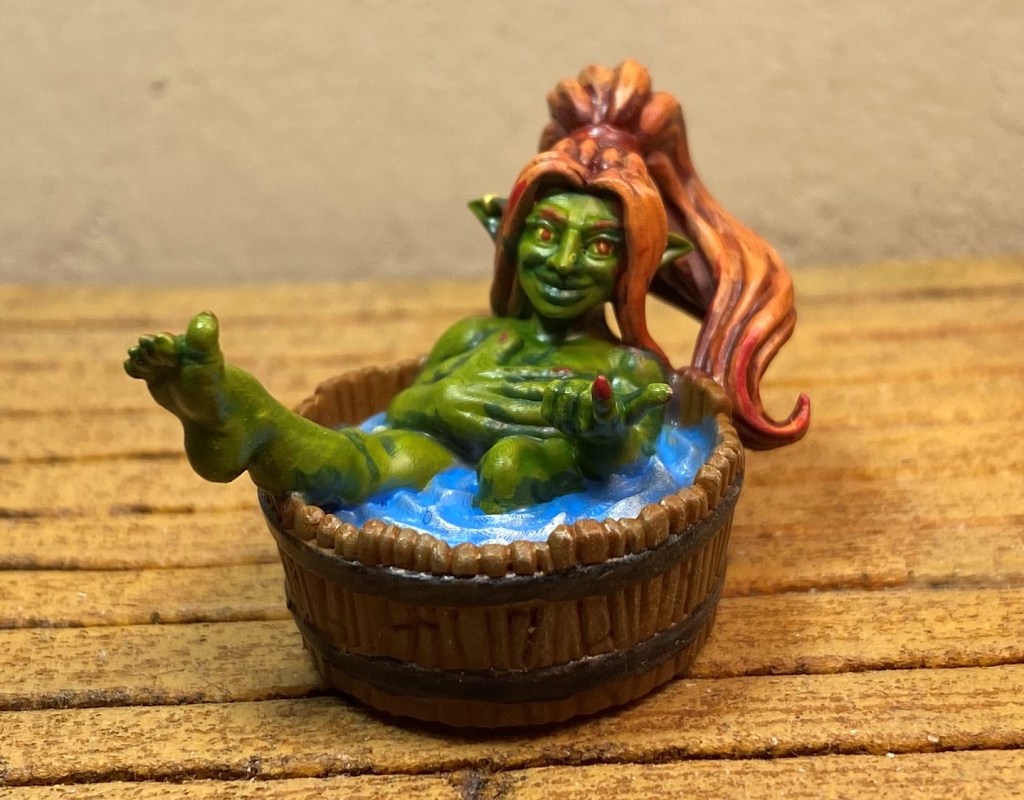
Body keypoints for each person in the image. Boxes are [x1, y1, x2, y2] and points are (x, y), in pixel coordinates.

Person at [125, 60, 809, 514]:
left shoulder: (629, 369)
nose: (565, 261)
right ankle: (240, 413)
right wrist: (447, 400)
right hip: (440, 453)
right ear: (506, 234)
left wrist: (600, 436)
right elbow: (404, 412)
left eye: (600, 246)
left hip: (534, 478)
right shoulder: (476, 336)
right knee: (365, 463)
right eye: (546, 234)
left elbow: (634, 461)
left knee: (513, 464)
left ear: (638, 266)